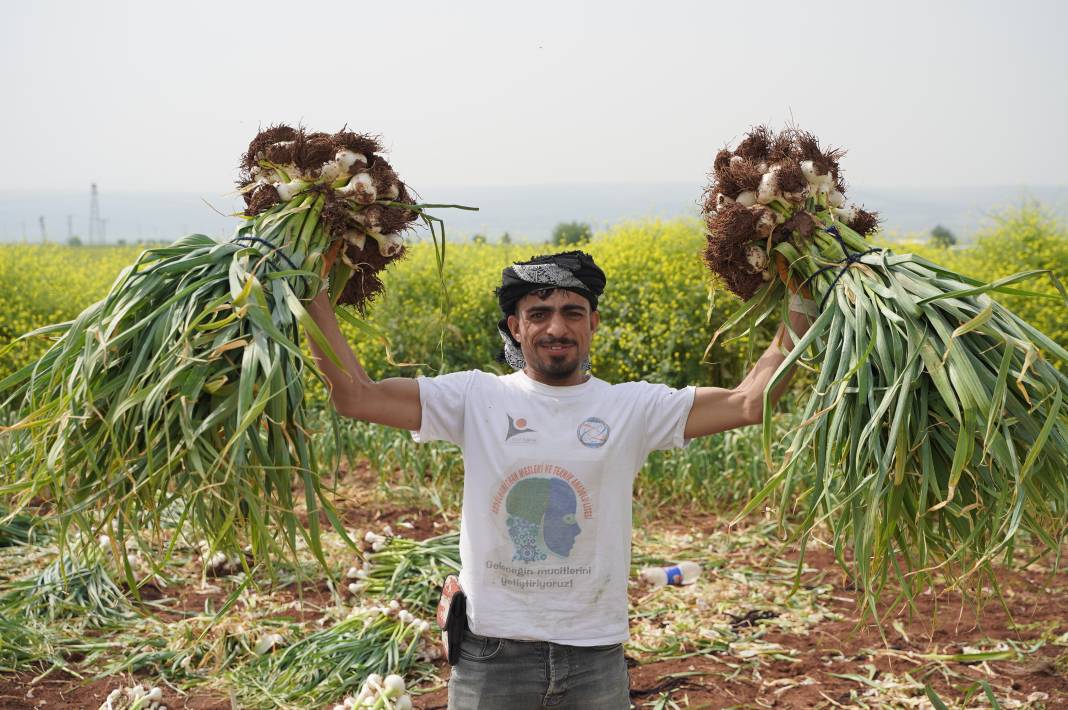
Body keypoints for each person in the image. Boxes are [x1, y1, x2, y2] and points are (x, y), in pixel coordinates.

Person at [306, 250, 814, 710]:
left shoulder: (631, 407)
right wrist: (311, 292)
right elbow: (356, 396)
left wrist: (802, 294)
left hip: (594, 654)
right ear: (515, 325)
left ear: (593, 322)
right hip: (491, 657)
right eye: (539, 314)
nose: (557, 328)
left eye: (573, 313)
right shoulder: (474, 399)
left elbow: (753, 401)